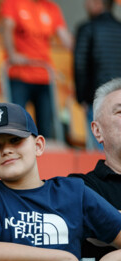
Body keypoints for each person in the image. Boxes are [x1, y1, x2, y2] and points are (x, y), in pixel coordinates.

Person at [0, 102, 121, 261]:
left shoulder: (73, 192)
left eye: (16, 140)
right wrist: (65, 259)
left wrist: (113, 259)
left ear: (38, 145)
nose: (7, 150)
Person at [0, 0, 73, 139]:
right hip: (19, 74)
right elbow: (7, 28)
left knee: (46, 127)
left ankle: (46, 159)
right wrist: (12, 54)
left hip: (44, 76)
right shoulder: (13, 3)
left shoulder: (52, 8)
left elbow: (65, 38)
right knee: (18, 125)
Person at [69, 78, 121, 261]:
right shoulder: (80, 186)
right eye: (120, 111)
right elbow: (101, 231)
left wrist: (116, 260)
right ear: (97, 131)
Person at [74, 0, 121, 150]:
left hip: (97, 98)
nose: (85, 5)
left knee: (101, 145)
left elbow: (80, 64)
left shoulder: (87, 29)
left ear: (97, 3)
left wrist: (82, 97)